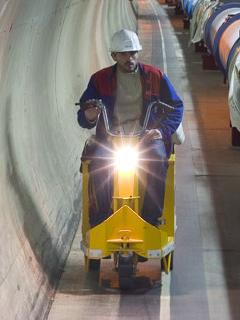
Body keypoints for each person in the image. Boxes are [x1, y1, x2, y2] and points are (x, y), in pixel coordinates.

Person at [78, 29, 184, 227]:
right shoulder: (99, 80)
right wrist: (88, 116)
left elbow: (176, 106)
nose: (129, 58)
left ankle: (150, 219)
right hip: (111, 139)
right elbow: (84, 113)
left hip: (145, 138)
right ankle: (102, 217)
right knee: (99, 162)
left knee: (158, 159)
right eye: (124, 54)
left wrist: (162, 131)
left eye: (133, 53)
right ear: (113, 56)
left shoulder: (155, 76)